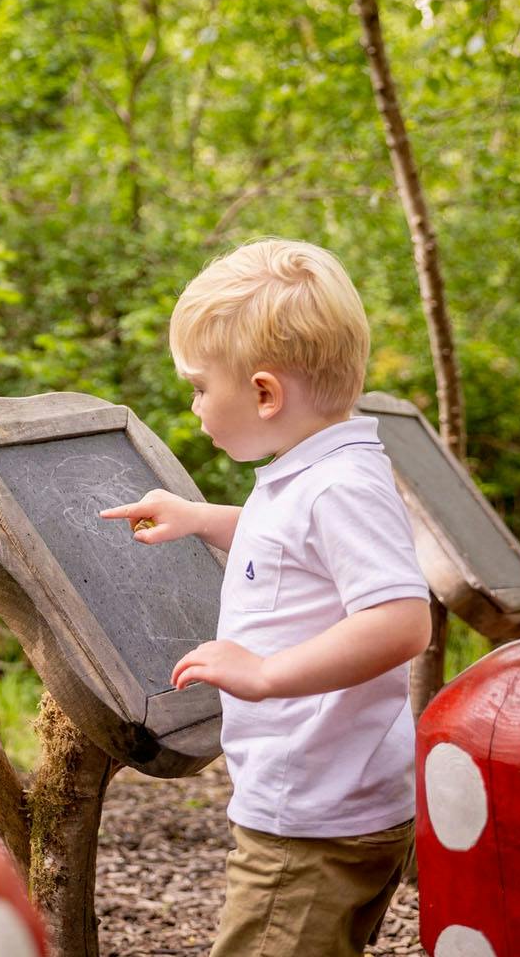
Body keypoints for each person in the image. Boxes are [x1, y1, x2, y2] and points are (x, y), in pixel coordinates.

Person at [99, 238, 433, 957]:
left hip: (312, 820)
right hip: (328, 801)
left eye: (198, 386)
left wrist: (265, 674)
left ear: (263, 393)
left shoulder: (340, 485)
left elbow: (402, 622)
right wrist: (200, 518)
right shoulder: (314, 474)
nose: (193, 406)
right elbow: (291, 543)